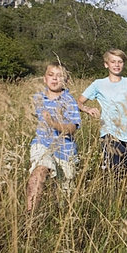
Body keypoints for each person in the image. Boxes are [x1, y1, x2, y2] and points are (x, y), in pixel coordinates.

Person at [77, 49, 127, 179]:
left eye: (120, 62)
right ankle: (110, 195)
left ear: (123, 64)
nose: (116, 65)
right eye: (113, 61)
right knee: (114, 172)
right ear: (106, 64)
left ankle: (124, 198)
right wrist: (87, 109)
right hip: (109, 133)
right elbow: (79, 102)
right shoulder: (98, 84)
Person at [26, 62, 81, 212]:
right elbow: (31, 116)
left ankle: (59, 220)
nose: (55, 79)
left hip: (65, 151)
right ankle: (30, 218)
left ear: (66, 81)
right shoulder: (38, 98)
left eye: (60, 76)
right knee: (39, 172)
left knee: (65, 197)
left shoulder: (69, 101)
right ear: (45, 79)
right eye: (51, 75)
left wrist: (53, 123)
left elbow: (72, 128)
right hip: (42, 144)